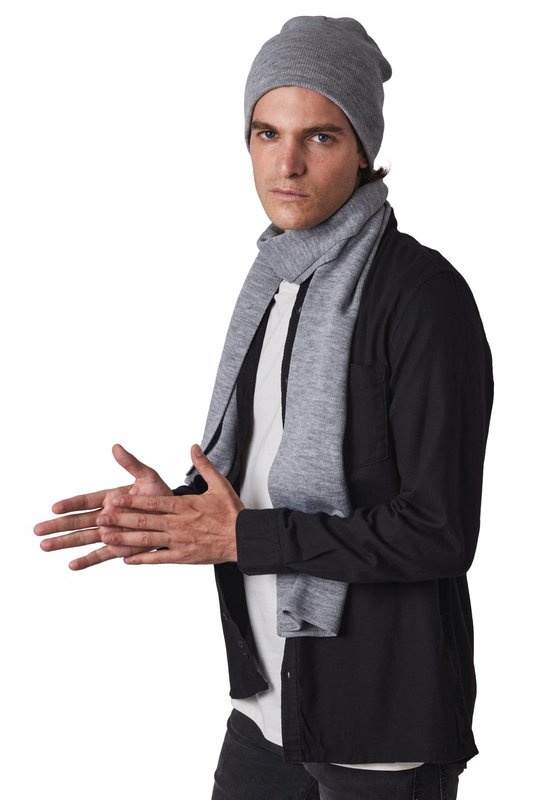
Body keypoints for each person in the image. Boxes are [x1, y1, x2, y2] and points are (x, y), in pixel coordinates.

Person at [34, 16, 494, 800]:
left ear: (362, 148)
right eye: (266, 133)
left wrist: (239, 536)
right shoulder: (275, 281)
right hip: (269, 704)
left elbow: (438, 532)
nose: (286, 164)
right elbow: (264, 476)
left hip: (378, 728)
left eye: (320, 137)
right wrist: (174, 512)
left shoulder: (421, 297)